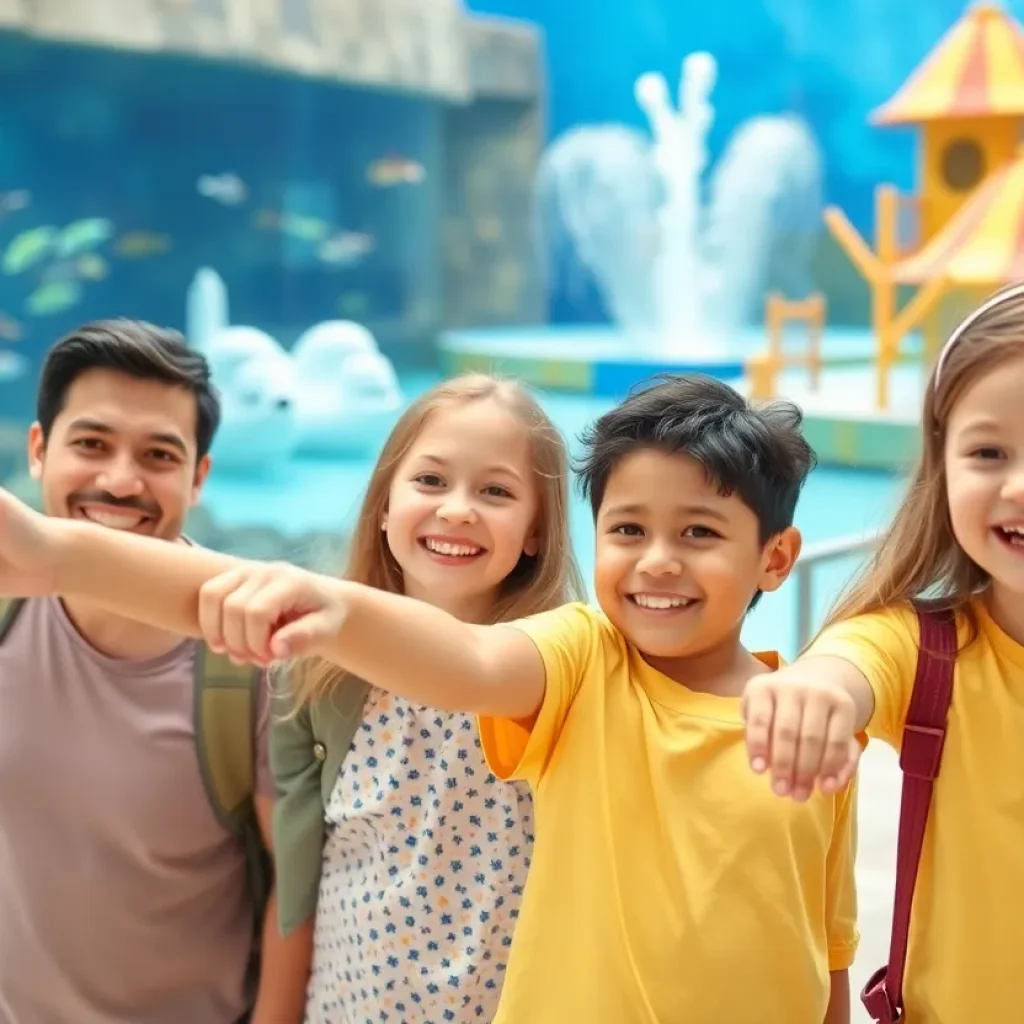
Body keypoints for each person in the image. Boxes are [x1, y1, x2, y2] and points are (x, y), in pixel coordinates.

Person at [0, 374, 857, 1023]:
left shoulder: (777, 714)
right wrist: (57, 557)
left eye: (495, 491)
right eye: (628, 530)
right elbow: (299, 866)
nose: (659, 561)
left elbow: (826, 948)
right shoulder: (567, 658)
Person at [0, 320, 305, 1024]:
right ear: (39, 450)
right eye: (91, 444)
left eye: (159, 454)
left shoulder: (252, 655)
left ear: (198, 477)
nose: (119, 480)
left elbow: (298, 895)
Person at [741, 282, 1024, 1023]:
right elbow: (849, 661)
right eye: (989, 452)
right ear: (943, 466)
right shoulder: (927, 650)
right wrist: (815, 693)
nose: (1019, 486)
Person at [269, 373, 584, 1021]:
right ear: (384, 505)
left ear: (536, 532)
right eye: (431, 481)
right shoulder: (318, 669)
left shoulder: (568, 674)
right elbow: (297, 876)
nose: (458, 509)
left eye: (496, 491)